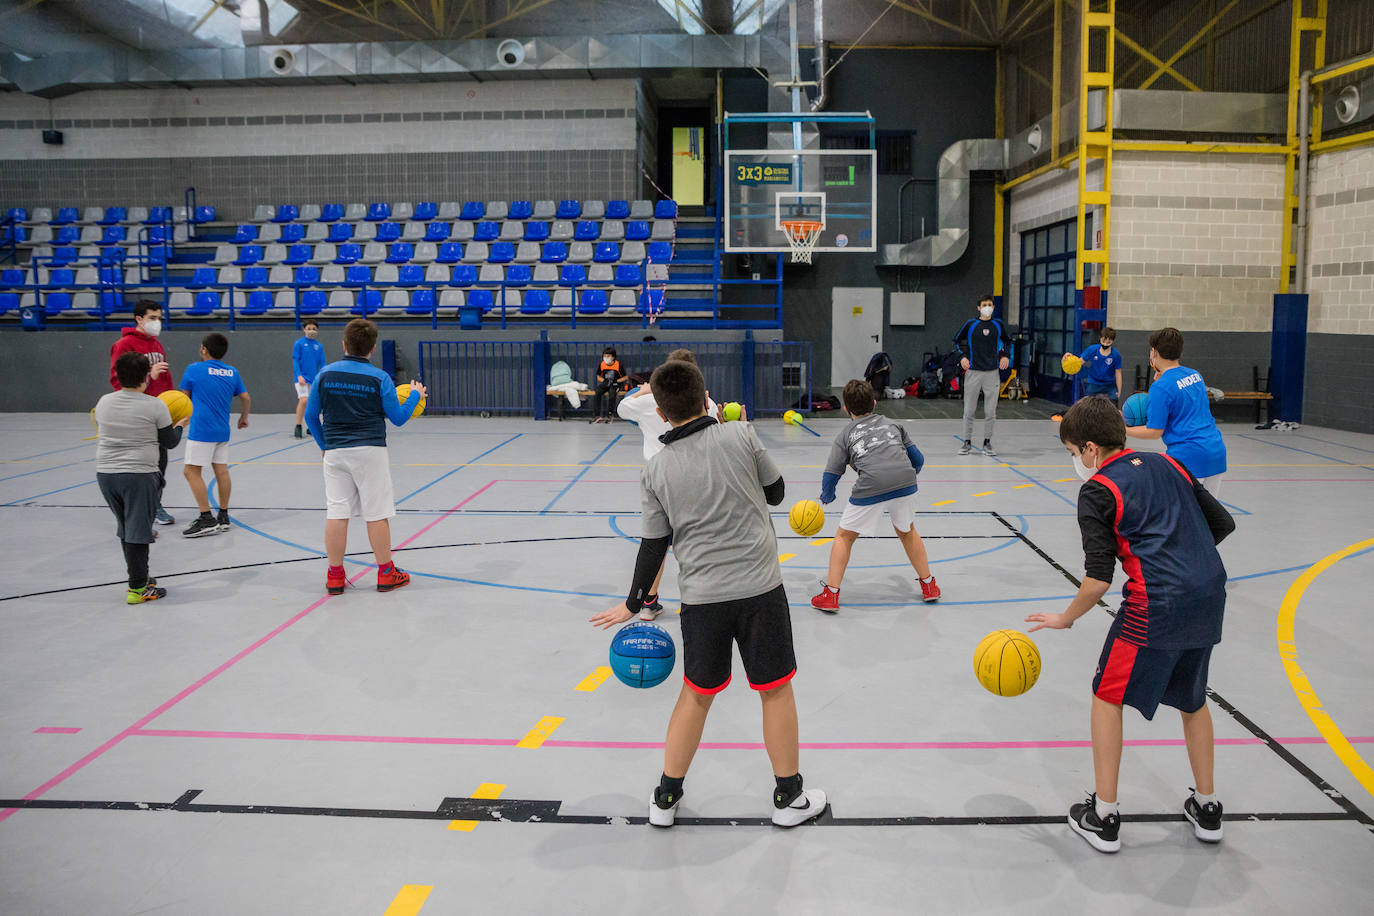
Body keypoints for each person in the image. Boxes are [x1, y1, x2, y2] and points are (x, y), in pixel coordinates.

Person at [590, 358, 827, 829]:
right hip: (761, 590)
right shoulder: (741, 435)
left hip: (701, 601)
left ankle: (664, 798)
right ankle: (789, 798)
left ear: (658, 411)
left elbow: (654, 546)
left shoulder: (655, 470)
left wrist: (634, 603)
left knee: (696, 696)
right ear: (706, 399)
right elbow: (777, 493)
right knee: (775, 691)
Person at [1026, 395, 1235, 854]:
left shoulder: (1098, 489)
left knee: (1107, 695)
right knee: (1193, 699)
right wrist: (1181, 553)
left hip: (1154, 604)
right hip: (1208, 594)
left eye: (1071, 453)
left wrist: (1065, 618)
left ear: (1090, 448)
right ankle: (1208, 806)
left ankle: (1104, 815)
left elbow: (1098, 579)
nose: (1075, 463)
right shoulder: (1171, 464)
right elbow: (1221, 523)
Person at [305, 318, 425, 595]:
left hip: (335, 451)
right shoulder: (380, 378)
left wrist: (325, 444)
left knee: (336, 512)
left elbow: (311, 416)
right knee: (377, 513)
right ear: (372, 349)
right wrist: (414, 395)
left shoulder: (325, 374)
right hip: (370, 451)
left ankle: (335, 576)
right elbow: (397, 418)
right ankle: (386, 573)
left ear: (344, 344)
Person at [615, 348, 728, 620]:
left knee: (657, 541)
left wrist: (641, 392)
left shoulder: (649, 400)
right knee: (698, 538)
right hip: (696, 476)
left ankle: (647, 601)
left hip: (658, 479)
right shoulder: (707, 404)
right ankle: (707, 595)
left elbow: (621, 408)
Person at [811, 379, 939, 612]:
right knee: (908, 531)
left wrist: (826, 497)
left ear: (846, 409)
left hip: (871, 484)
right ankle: (929, 585)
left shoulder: (845, 434)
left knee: (844, 537)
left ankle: (830, 594)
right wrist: (905, 477)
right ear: (875, 403)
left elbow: (832, 473)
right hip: (906, 482)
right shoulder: (893, 425)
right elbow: (918, 460)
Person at [95, 352, 187, 604]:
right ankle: (138, 588)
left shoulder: (104, 401)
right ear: (146, 376)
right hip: (138, 474)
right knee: (138, 531)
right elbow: (169, 442)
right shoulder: (154, 405)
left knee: (126, 527)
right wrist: (180, 425)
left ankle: (140, 577)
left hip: (106, 473)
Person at [1124, 327, 1227, 493]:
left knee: (1181, 515)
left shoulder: (1160, 387)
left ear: (1154, 353)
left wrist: (1125, 430)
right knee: (1208, 515)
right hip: (1216, 452)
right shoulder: (1195, 375)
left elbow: (1154, 432)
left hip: (1189, 458)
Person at [109, 300, 176, 526]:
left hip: (158, 409)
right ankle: (144, 507)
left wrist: (172, 406)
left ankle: (155, 503)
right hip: (137, 412)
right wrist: (149, 376)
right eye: (153, 318)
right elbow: (118, 382)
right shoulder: (123, 345)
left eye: (159, 318)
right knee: (143, 464)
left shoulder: (156, 344)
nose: (157, 323)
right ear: (139, 319)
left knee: (161, 461)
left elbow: (166, 380)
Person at [178, 333, 251, 538]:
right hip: (222, 430)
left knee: (191, 472)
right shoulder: (232, 371)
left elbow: (183, 399)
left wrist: (180, 419)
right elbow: (245, 397)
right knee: (221, 471)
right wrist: (244, 417)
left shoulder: (193, 369)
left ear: (203, 349)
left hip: (201, 430)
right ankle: (224, 516)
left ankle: (206, 518)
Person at [954, 294, 1012, 457]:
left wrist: (1005, 356)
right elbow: (956, 341)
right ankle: (966, 442)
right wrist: (962, 357)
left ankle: (987, 442)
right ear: (979, 308)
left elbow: (1008, 341)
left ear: (993, 307)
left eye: (990, 304)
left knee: (990, 411)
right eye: (984, 304)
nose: (988, 307)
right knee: (969, 410)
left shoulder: (998, 324)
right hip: (973, 372)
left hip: (992, 373)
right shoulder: (971, 324)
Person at [292, 319, 326, 439]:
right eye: (309, 328)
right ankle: (298, 425)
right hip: (301, 378)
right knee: (304, 400)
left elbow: (322, 362)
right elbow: (295, 360)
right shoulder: (299, 344)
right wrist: (299, 375)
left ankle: (311, 427)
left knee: (313, 403)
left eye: (314, 329)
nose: (311, 331)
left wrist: (324, 373)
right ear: (304, 329)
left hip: (314, 379)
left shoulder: (319, 346)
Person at [1075, 326, 1123, 402]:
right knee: (1089, 406)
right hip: (1094, 382)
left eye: (1109, 342)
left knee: (1113, 404)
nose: (1105, 344)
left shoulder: (1116, 355)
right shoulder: (1092, 349)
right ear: (1100, 338)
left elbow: (1118, 373)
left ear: (1112, 341)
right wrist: (1069, 358)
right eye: (1103, 341)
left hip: (1109, 385)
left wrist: (1119, 390)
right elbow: (1078, 362)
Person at [590, 346, 625, 424]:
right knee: (597, 393)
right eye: (604, 356)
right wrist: (604, 381)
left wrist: (616, 381)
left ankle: (610, 415)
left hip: (615, 384)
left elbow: (625, 377)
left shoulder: (618, 365)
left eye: (608, 356)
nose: (606, 358)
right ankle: (597, 416)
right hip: (606, 383)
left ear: (613, 357)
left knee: (612, 394)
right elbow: (598, 376)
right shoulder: (602, 364)